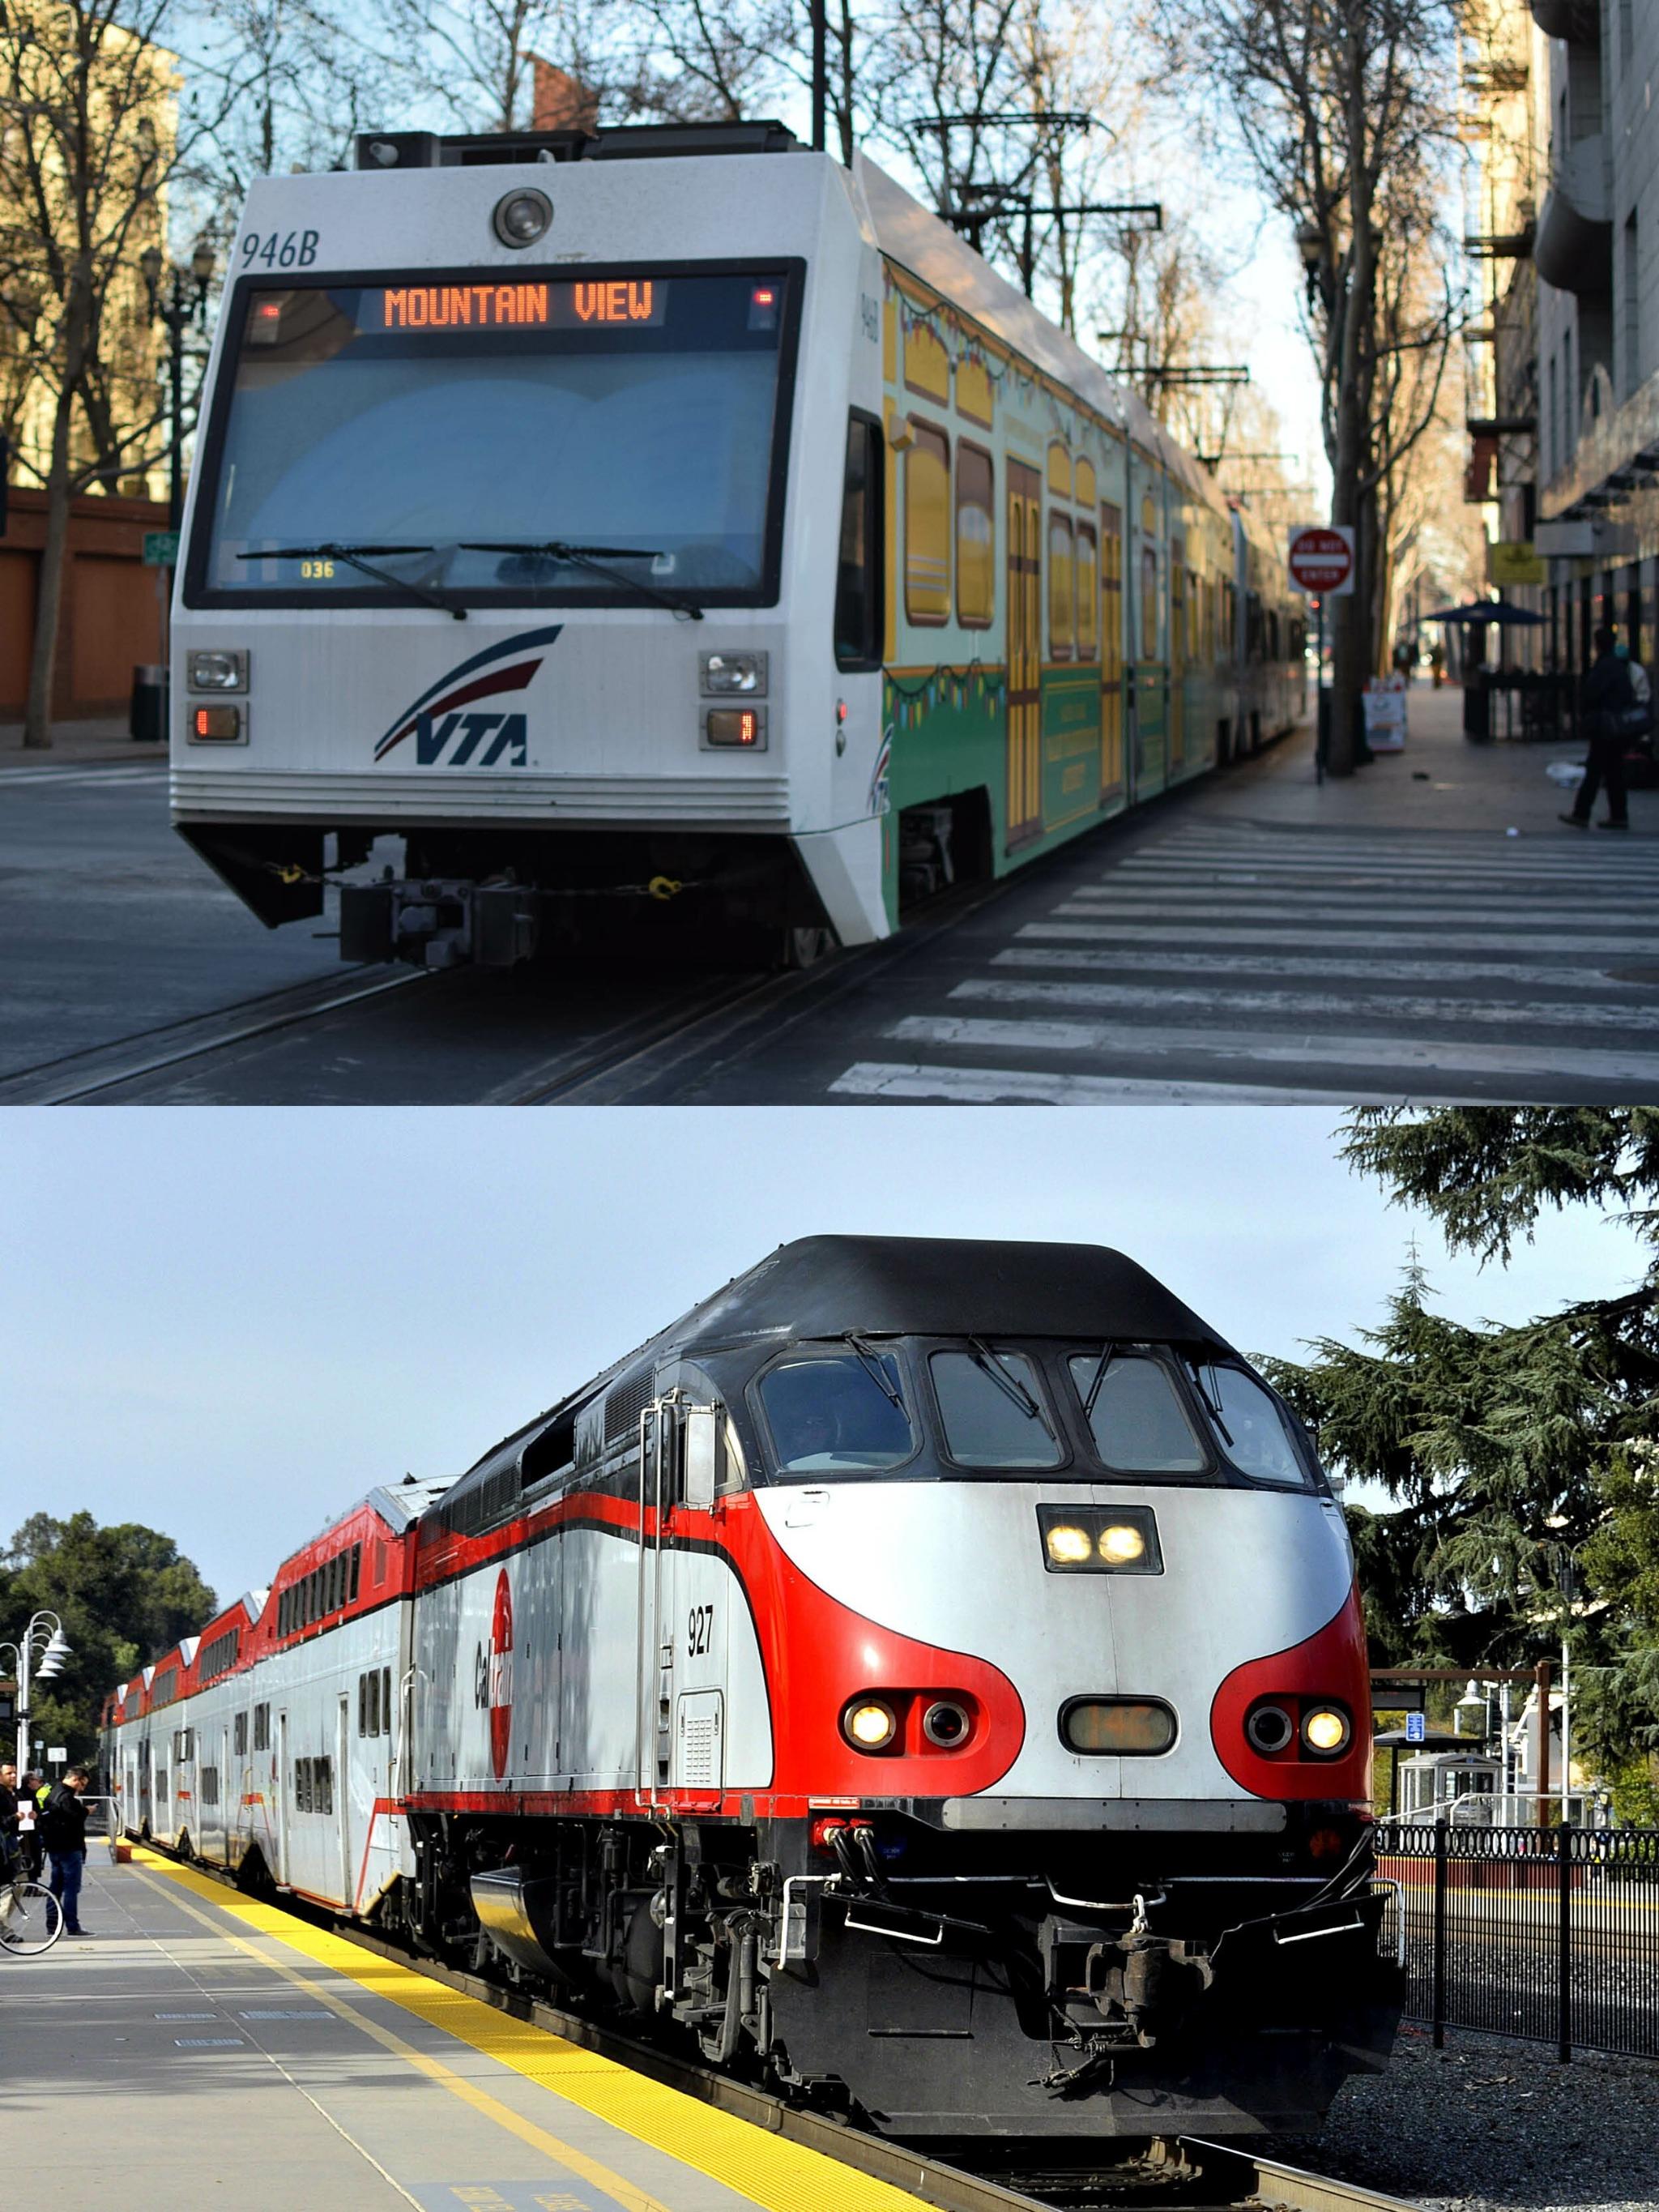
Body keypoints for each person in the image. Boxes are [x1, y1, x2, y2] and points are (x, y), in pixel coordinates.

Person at [1563, 625, 1635, 830]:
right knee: (1613, 773)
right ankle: (1618, 815)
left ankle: (1582, 813)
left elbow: (1592, 694)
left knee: (1596, 771)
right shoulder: (1618, 666)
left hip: (1605, 727)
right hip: (1614, 726)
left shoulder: (1605, 666)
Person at [40, 1765, 91, 1935]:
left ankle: (52, 1925)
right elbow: (73, 1818)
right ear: (75, 1780)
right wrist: (86, 1811)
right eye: (82, 1784)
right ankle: (72, 1926)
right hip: (69, 1849)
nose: (82, 1789)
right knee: (71, 1888)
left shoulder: (53, 1792)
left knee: (55, 1887)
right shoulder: (67, 1797)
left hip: (54, 1848)